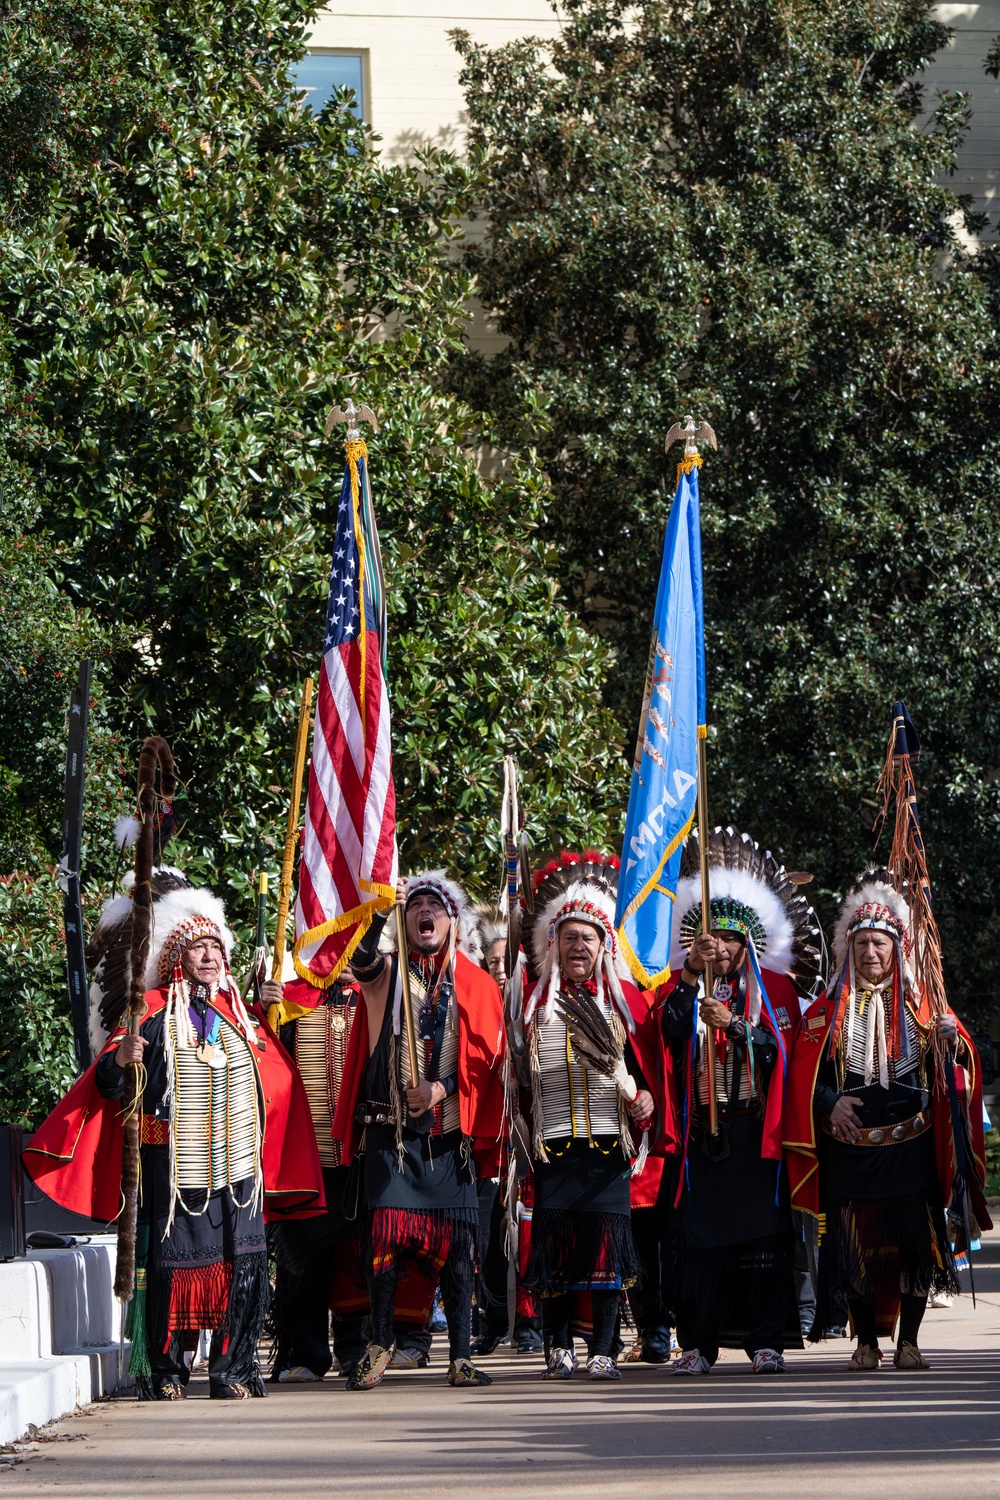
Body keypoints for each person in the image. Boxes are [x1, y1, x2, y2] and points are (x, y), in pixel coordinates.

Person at [25, 884, 324, 1400]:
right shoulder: (150, 1012)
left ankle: (232, 1369)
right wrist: (122, 1060)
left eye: (215, 947)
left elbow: (277, 1084)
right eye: (197, 947)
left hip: (237, 1172)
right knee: (173, 1268)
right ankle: (166, 1370)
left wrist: (271, 1019)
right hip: (172, 1166)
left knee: (241, 1263)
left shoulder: (243, 1018)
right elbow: (109, 1086)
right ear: (174, 956)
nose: (209, 956)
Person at [784, 869, 991, 1370]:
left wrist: (952, 1041)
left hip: (910, 1147)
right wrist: (829, 1102)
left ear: (896, 950)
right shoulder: (826, 1013)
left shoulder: (924, 1007)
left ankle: (910, 1342)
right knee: (853, 1249)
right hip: (851, 1149)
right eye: (861, 945)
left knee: (913, 1247)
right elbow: (801, 1076)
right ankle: (866, 1343)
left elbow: (962, 1063)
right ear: (847, 950)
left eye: (879, 944)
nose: (871, 954)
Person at [332, 872, 506, 1389]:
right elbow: (354, 957)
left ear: (453, 923)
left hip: (448, 1139)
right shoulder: (386, 972)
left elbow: (489, 1061)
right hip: (391, 1137)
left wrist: (441, 1089)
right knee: (383, 1244)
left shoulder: (476, 983)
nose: (424, 913)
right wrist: (385, 907)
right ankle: (380, 1344)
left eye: (435, 907)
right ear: (407, 922)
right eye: (416, 908)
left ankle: (459, 1355)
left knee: (457, 1251)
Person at [660, 826, 822, 1376]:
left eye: (731, 939)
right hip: (702, 1138)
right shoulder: (683, 984)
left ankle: (766, 1340)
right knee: (701, 1243)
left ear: (748, 941)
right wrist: (687, 978)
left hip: (755, 1134)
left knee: (764, 1241)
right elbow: (671, 1031)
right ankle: (698, 1345)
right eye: (713, 939)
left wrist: (737, 1027)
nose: (722, 948)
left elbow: (787, 1053)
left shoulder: (774, 990)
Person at [518, 851, 670, 1382]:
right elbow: (511, 1076)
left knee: (608, 1253)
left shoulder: (626, 1006)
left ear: (603, 946)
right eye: (569, 937)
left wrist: (646, 1099)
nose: (578, 946)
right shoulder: (531, 1006)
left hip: (609, 1146)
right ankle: (559, 1349)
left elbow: (650, 1071)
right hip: (554, 1145)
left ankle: (604, 1348)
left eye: (587, 938)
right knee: (556, 1254)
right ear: (553, 945)